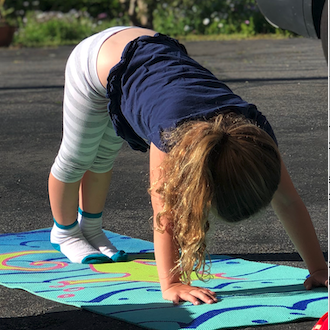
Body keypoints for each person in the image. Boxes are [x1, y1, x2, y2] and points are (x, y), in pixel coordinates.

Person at [48, 26, 328, 305]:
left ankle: (92, 229)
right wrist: (171, 283)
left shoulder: (256, 139)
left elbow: (289, 201)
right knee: (79, 156)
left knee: (104, 155)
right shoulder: (172, 138)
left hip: (148, 56)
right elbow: (165, 214)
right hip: (95, 60)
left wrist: (318, 269)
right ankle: (65, 231)